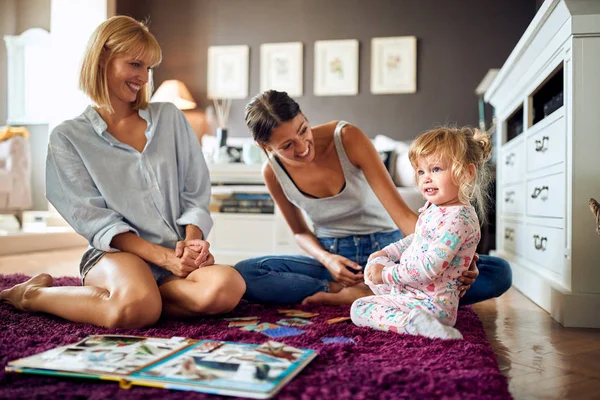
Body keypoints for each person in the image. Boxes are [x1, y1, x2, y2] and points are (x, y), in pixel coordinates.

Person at [0, 16, 245, 328]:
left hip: (173, 258)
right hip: (116, 256)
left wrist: (192, 243)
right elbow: (96, 222)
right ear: (103, 57)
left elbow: (195, 194)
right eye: (135, 64)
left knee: (228, 287)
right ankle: (32, 294)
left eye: (148, 68)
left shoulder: (170, 118)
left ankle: (141, 298)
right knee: (138, 307)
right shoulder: (68, 137)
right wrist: (164, 258)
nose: (143, 77)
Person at [234, 90, 511, 306]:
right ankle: (350, 290)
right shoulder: (272, 173)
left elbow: (400, 214)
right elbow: (299, 232)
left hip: (389, 250)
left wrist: (456, 257)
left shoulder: (347, 137)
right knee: (249, 273)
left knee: (498, 271)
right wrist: (327, 259)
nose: (303, 146)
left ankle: (371, 291)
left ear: (304, 116)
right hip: (334, 260)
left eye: (303, 129)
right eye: (287, 146)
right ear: (264, 146)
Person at [351, 127, 491, 339]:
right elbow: (417, 239)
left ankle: (414, 324)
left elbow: (429, 268)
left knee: (360, 308)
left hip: (432, 304)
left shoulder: (458, 219)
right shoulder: (434, 209)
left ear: (467, 173)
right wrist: (386, 254)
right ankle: (408, 313)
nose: (426, 178)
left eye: (435, 169)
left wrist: (386, 274)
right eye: (421, 171)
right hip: (416, 292)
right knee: (373, 268)